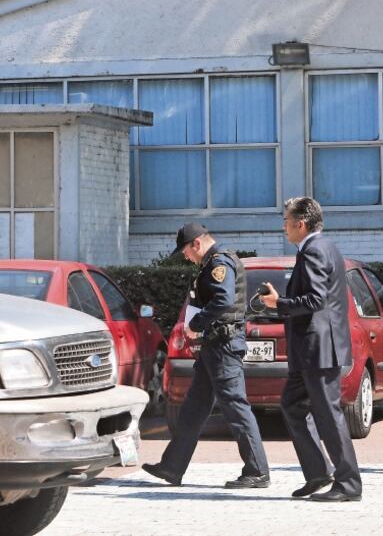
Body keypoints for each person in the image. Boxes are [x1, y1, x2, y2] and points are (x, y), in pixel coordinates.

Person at [142, 222, 270, 489]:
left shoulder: (219, 263)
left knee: (235, 407)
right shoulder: (211, 263)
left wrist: (195, 324)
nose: (186, 257)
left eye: (186, 251)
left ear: (197, 244)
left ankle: (257, 471)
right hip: (214, 346)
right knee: (193, 408)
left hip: (223, 346)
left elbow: (222, 300)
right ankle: (172, 467)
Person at [260, 197, 362, 502]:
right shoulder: (322, 247)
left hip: (319, 350)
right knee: (292, 406)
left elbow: (316, 300)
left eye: (286, 221)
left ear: (300, 224)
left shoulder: (315, 250)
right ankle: (318, 472)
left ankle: (348, 484)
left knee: (328, 416)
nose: (284, 227)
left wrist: (279, 304)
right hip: (310, 351)